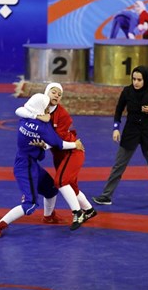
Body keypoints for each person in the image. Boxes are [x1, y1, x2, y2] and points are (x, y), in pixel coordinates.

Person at [0, 93, 86, 238]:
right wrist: (75, 144)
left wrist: (41, 144)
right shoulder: (42, 127)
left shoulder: (24, 118)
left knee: (51, 189)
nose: (48, 109)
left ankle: (49, 216)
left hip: (27, 161)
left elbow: (21, 110)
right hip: (26, 166)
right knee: (30, 204)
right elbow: (58, 144)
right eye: (46, 107)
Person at [92, 66, 148, 208]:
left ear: (146, 79)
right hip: (130, 132)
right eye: (134, 79)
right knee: (119, 165)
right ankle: (106, 196)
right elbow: (118, 111)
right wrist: (115, 129)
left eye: (139, 80)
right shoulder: (127, 91)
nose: (136, 82)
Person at [16, 83, 98, 224]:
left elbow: (56, 141)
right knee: (71, 186)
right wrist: (36, 115)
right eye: (54, 92)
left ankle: (77, 213)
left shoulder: (63, 115)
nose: (57, 95)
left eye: (60, 94)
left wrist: (45, 146)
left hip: (71, 151)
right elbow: (19, 110)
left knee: (60, 181)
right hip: (59, 154)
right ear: (46, 93)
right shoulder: (39, 107)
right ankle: (89, 210)